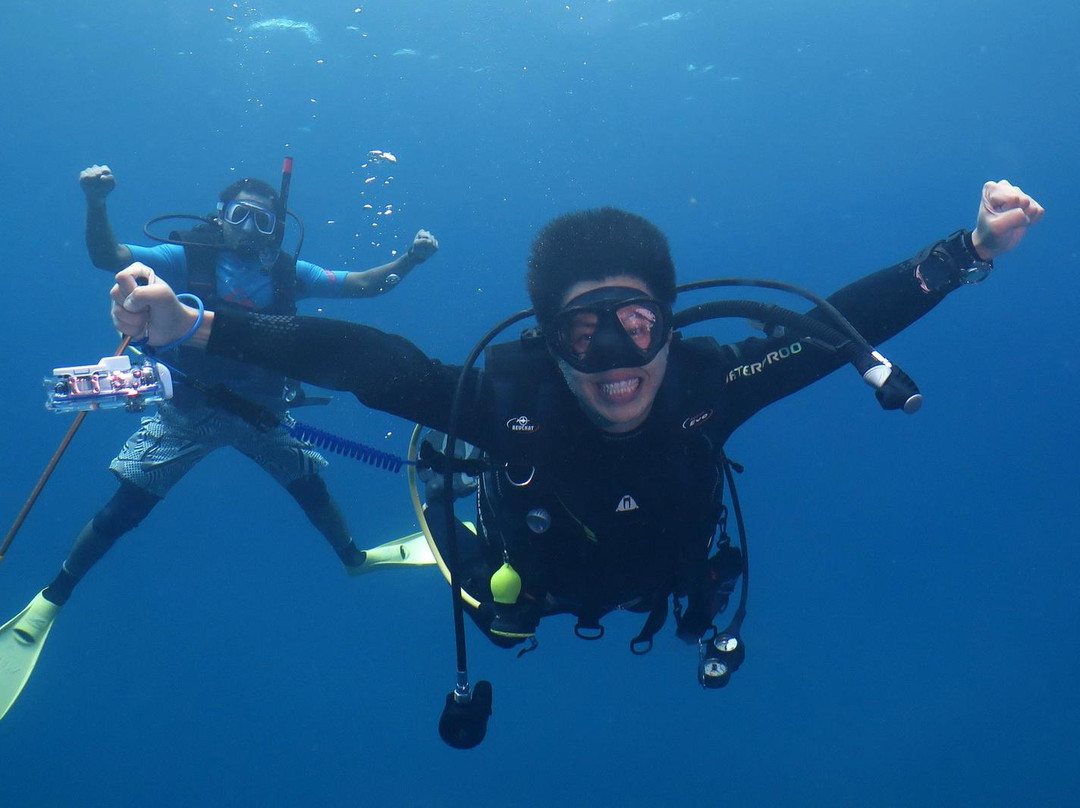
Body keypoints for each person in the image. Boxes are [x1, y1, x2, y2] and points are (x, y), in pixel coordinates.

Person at [108, 180, 1042, 677]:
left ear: (669, 324)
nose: (612, 359)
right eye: (579, 331)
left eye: (634, 324)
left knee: (692, 608)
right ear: (547, 343)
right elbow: (369, 359)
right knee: (501, 618)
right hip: (533, 583)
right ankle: (458, 538)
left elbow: (842, 323)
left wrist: (967, 250)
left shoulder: (714, 383)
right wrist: (197, 327)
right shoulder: (506, 400)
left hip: (667, 577)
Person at [45, 164, 440, 609]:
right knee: (126, 508)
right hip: (188, 412)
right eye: (239, 216)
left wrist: (410, 259)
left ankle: (354, 557)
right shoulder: (185, 258)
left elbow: (364, 286)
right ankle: (56, 594)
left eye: (262, 221)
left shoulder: (289, 273)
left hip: (262, 414)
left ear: (275, 230)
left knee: (311, 489)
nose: (249, 229)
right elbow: (107, 257)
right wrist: (96, 202)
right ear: (219, 216)